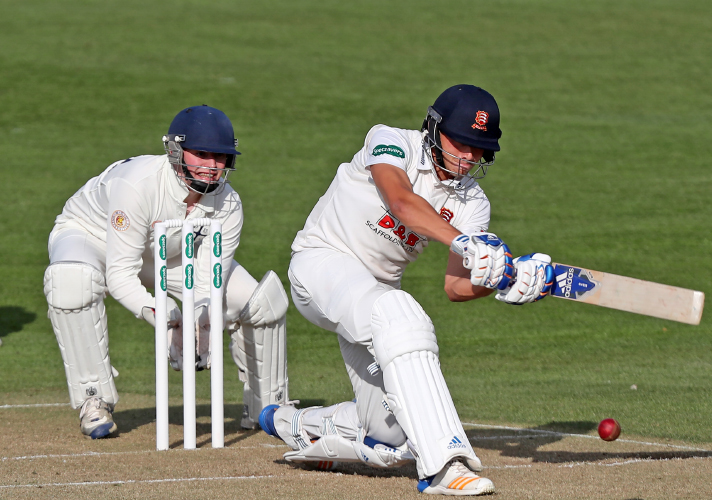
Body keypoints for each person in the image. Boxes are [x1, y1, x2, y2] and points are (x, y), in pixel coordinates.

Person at [260, 85, 554, 496]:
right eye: (461, 143)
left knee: (392, 438)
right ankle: (445, 467)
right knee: (402, 315)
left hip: (374, 297)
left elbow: (456, 286)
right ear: (433, 128)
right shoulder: (392, 141)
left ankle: (295, 424)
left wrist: (503, 279)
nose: (469, 157)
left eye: (480, 149)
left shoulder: (473, 203)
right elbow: (400, 201)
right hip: (321, 265)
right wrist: (463, 242)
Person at [44, 105, 289, 439]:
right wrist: (168, 319)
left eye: (220, 156)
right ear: (175, 150)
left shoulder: (229, 205)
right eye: (201, 154)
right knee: (72, 283)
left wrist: (200, 324)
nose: (212, 166)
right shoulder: (138, 185)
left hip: (168, 252)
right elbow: (120, 275)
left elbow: (208, 281)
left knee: (261, 302)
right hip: (93, 238)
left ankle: (269, 408)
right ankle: (93, 400)